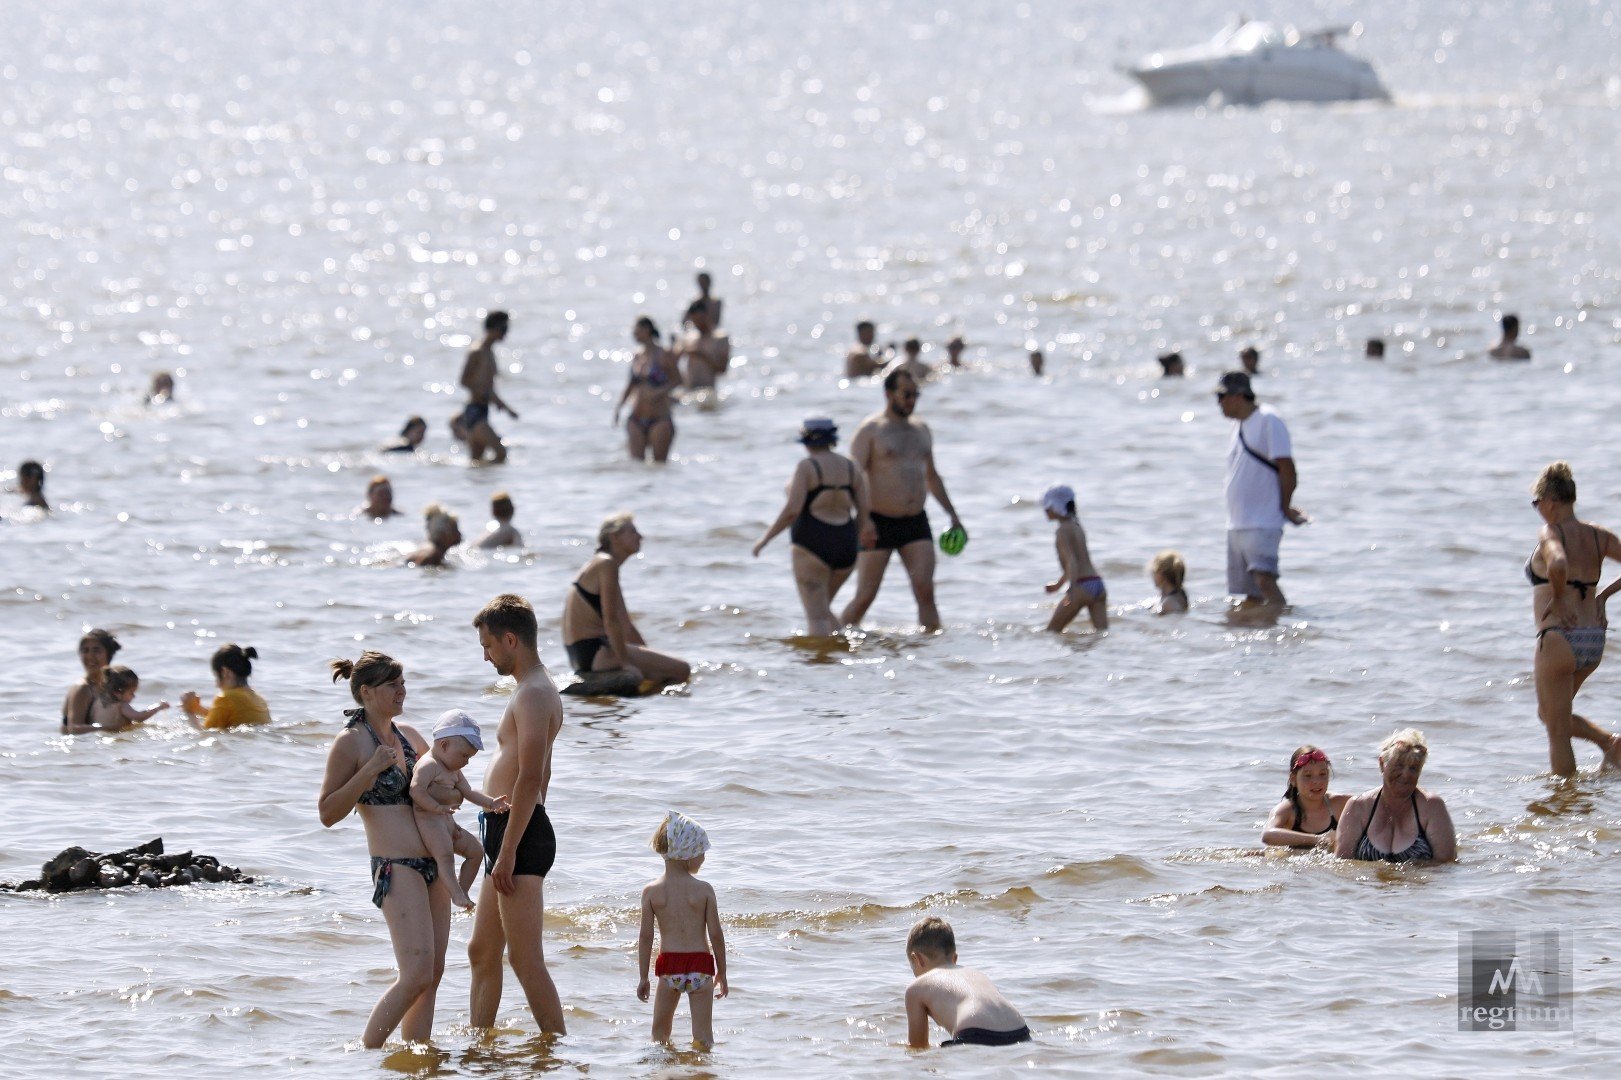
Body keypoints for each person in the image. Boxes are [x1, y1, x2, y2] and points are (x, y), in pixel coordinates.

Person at [318, 650, 450, 1048]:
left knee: (434, 973)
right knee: (415, 974)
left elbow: (443, 779)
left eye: (403, 683)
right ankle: (366, 1053)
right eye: (393, 685)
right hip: (396, 866)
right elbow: (327, 812)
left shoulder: (409, 735)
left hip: (434, 860)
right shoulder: (351, 742)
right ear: (366, 692)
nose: (402, 691)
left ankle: (416, 1059)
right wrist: (369, 770)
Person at [467, 594, 567, 1035]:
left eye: (488, 645)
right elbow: (544, 772)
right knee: (482, 951)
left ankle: (558, 1047)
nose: (486, 655)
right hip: (506, 830)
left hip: (517, 836)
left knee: (525, 959)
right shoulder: (533, 691)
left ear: (511, 639)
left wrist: (508, 851)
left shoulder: (534, 694)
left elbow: (528, 779)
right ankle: (479, 1044)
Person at [840, 370, 965, 632]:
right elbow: (854, 478)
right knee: (865, 596)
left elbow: (932, 476)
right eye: (906, 394)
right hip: (877, 522)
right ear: (889, 394)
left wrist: (953, 515)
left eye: (915, 395)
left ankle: (933, 654)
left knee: (925, 591)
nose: (912, 401)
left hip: (915, 522)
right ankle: (832, 638)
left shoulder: (921, 430)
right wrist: (863, 520)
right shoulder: (871, 430)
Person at [1525, 462, 1621, 776]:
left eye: (1537, 503)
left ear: (1551, 501)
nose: (1537, 509)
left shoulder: (1550, 532)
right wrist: (1602, 596)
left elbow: (1559, 563)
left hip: (1558, 636)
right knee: (1552, 715)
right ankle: (1609, 743)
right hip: (1592, 637)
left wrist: (1557, 596)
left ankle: (1565, 805)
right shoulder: (1599, 535)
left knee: (1556, 730)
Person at [752, 418, 870, 636]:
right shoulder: (852, 466)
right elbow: (864, 513)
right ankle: (844, 652)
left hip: (812, 544)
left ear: (805, 442)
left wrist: (765, 539)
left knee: (816, 617)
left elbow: (792, 510)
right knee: (823, 610)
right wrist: (854, 541)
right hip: (846, 544)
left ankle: (821, 667)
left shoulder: (806, 467)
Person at [562, 513, 691, 686]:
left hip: (581, 654)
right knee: (682, 669)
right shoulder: (606, 564)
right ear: (614, 537)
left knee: (663, 668)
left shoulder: (601, 564)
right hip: (594, 651)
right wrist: (625, 663)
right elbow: (611, 621)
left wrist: (650, 655)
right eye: (633, 532)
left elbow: (626, 626)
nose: (640, 536)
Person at [636, 811, 729, 1048]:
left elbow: (646, 937)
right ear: (687, 854)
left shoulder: (652, 892)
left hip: (670, 967)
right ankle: (701, 1070)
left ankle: (664, 1070)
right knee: (703, 1036)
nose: (704, 858)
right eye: (701, 852)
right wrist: (722, 972)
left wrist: (644, 976)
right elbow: (716, 935)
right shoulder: (704, 890)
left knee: (659, 1034)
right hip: (700, 966)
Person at [1216, 371, 1305, 608]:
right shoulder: (1238, 426)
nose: (1219, 404)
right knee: (1250, 594)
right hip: (1237, 523)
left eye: (1221, 397)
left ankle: (1286, 626)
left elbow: (1287, 468)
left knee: (1264, 580)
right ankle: (1259, 636)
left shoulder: (1268, 419)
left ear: (1238, 396)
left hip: (1263, 520)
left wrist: (1285, 507)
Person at [410, 710, 510, 910]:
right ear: (444, 745)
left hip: (449, 824)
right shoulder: (429, 765)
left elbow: (468, 791)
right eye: (464, 755)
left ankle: (461, 892)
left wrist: (491, 804)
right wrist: (436, 808)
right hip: (430, 822)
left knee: (476, 851)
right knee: (445, 855)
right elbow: (416, 790)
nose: (466, 761)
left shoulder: (454, 770)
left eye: (470, 757)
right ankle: (455, 894)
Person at [904, 916, 1030, 1049]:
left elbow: (918, 1047)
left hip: (975, 1032)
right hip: (1020, 1030)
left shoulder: (916, 988)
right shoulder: (977, 974)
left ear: (917, 959)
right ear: (955, 958)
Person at [1334, 729, 1456, 863]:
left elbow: (1447, 865)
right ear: (1382, 763)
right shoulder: (1358, 807)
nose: (1405, 774)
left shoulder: (1432, 807)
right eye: (1399, 765)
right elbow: (1342, 865)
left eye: (1413, 768)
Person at [1041, 485, 1107, 632]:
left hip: (1081, 585)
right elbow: (1077, 562)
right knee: (1101, 634)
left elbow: (1071, 562)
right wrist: (1058, 585)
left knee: (1052, 631)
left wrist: (1070, 589)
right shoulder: (1077, 526)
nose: (1045, 510)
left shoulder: (1061, 531)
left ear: (1056, 506)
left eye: (1047, 506)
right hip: (1097, 583)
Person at [613, 316, 679, 462]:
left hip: (659, 418)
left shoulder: (664, 354)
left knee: (659, 465)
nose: (634, 335)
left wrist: (659, 391)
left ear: (647, 330)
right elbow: (631, 385)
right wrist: (619, 407)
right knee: (637, 466)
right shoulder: (637, 355)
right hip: (636, 418)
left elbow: (677, 380)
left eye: (637, 331)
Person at [458, 310, 519, 463]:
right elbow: (464, 380)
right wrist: (484, 394)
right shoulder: (477, 351)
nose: (506, 333)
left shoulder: (490, 353)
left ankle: (478, 486)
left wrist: (505, 407)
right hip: (474, 412)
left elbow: (489, 387)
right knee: (501, 453)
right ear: (492, 328)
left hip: (483, 410)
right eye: (503, 329)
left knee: (476, 463)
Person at [1261, 746, 1349, 848]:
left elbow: (1369, 804)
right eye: (1308, 775)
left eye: (1322, 774)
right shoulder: (1287, 810)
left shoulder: (1339, 803)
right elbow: (1268, 835)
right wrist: (1319, 839)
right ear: (1293, 779)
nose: (1317, 781)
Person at [181, 643, 271, 729]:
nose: (216, 685)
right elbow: (226, 714)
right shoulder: (259, 699)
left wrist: (189, 712)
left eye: (216, 676)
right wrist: (197, 708)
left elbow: (203, 734)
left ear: (225, 672)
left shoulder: (226, 698)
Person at [61, 629, 120, 734]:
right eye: (85, 650)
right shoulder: (82, 688)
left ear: (109, 654)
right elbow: (74, 728)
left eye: (96, 650)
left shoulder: (110, 684)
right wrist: (115, 728)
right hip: (80, 748)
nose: (89, 656)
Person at [89, 666, 170, 732]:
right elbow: (139, 717)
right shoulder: (121, 706)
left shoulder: (98, 703)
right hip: (119, 735)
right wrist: (158, 707)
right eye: (131, 693)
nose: (134, 696)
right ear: (117, 693)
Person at [673, 304, 730, 391]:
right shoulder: (689, 337)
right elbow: (672, 360)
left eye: (701, 319)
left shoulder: (720, 338)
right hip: (689, 389)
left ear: (707, 316)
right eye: (695, 320)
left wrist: (702, 356)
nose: (699, 323)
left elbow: (722, 369)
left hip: (709, 389)